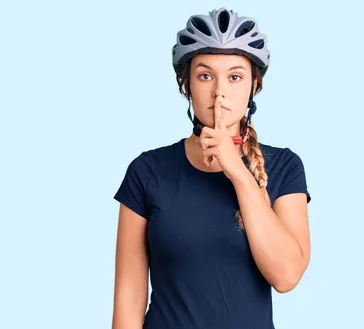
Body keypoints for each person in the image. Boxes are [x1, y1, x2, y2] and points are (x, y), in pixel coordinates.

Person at [111, 8, 312, 329]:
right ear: (186, 85)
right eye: (205, 75)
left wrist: (238, 172)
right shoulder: (146, 171)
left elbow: (286, 276)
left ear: (253, 86)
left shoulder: (286, 167)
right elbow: (128, 294)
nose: (220, 91)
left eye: (235, 77)